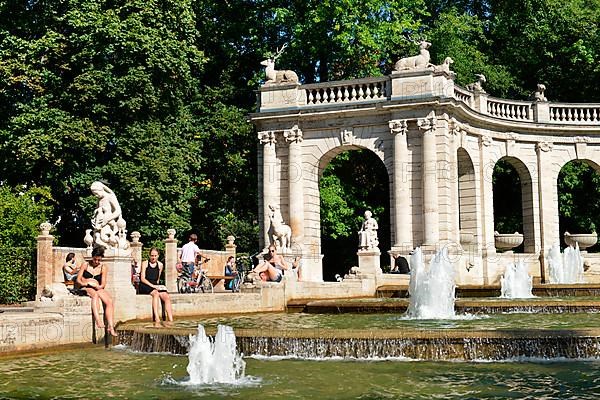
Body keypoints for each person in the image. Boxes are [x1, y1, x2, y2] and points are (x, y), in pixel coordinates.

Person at [76, 247, 117, 336]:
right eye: (95, 259)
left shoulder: (103, 267)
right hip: (86, 286)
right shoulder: (85, 265)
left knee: (109, 301)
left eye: (99, 260)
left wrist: (97, 286)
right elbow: (78, 280)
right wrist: (87, 283)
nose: (97, 262)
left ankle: (110, 327)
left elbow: (103, 284)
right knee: (95, 295)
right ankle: (98, 320)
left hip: (97, 287)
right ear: (92, 257)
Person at [138, 248, 174, 327]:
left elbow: (157, 278)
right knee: (156, 293)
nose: (153, 257)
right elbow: (142, 278)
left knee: (166, 296)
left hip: (154, 284)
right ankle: (157, 318)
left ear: (158, 256)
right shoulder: (145, 263)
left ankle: (171, 319)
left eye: (155, 256)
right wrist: (153, 286)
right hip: (145, 284)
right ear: (149, 255)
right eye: (152, 256)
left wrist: (160, 287)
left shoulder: (160, 265)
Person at [90, 181, 127, 249]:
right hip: (100, 223)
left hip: (108, 223)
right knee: (97, 238)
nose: (95, 195)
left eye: (96, 193)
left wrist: (107, 220)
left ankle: (114, 244)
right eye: (94, 194)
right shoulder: (99, 200)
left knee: (103, 238)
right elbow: (98, 210)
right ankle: (107, 247)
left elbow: (118, 211)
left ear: (101, 189)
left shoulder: (110, 197)